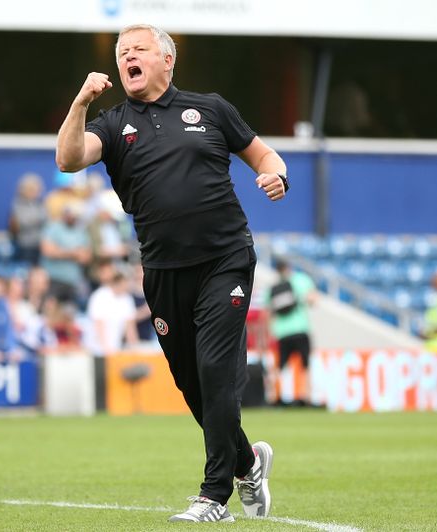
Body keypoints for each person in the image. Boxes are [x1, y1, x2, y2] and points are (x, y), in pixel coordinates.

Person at [55, 24, 288, 522]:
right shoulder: (113, 123)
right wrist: (79, 104)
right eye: (122, 53)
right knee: (193, 387)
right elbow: (68, 159)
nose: (127, 58)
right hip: (162, 271)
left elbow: (263, 154)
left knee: (216, 372)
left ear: (167, 60)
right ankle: (249, 463)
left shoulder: (211, 108)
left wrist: (276, 174)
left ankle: (213, 496)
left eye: (138, 49)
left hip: (226, 258)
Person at [266, 259, 318, 405]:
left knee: (280, 366)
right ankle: (306, 397)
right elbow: (313, 299)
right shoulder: (300, 280)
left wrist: (271, 332)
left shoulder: (273, 287)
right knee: (305, 365)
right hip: (300, 328)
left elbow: (269, 312)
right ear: (289, 267)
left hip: (282, 332)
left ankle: (271, 396)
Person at [39, 201, 91, 305]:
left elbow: (86, 257)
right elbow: (47, 251)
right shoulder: (53, 227)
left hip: (72, 280)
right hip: (53, 279)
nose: (73, 217)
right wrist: (73, 253)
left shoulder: (81, 231)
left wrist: (60, 251)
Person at [85, 261, 139, 356]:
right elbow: (98, 324)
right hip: (97, 350)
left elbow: (130, 327)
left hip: (115, 349)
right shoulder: (99, 296)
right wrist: (106, 348)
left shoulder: (127, 299)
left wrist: (135, 349)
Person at [8, 173, 47, 265]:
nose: (38, 192)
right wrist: (38, 218)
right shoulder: (18, 204)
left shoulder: (39, 203)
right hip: (25, 246)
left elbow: (46, 217)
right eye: (35, 190)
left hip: (39, 245)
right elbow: (23, 221)